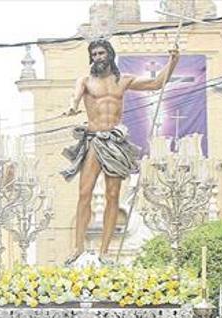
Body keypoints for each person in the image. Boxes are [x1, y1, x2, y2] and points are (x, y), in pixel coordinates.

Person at [62, 39, 179, 262]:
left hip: (115, 141)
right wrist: (72, 107)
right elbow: (75, 97)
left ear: (110, 55)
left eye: (101, 53)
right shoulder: (85, 81)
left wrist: (173, 61)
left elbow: (157, 83)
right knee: (84, 193)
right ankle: (78, 247)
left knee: (113, 195)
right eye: (94, 54)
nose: (97, 57)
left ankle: (105, 251)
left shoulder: (123, 81)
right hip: (94, 139)